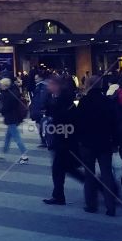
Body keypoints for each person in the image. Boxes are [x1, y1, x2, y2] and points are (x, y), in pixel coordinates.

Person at [74, 75, 119, 216]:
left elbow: (78, 124)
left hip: (87, 144)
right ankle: (110, 207)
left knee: (89, 175)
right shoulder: (107, 102)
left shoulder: (84, 102)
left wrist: (79, 140)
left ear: (88, 85)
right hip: (105, 142)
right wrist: (115, 142)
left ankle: (91, 204)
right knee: (107, 175)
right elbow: (114, 124)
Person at [42, 75, 84, 205]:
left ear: (56, 85)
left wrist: (52, 120)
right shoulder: (59, 98)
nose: (48, 87)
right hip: (63, 141)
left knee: (61, 170)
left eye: (51, 84)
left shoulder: (63, 100)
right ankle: (58, 195)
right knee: (68, 170)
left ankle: (59, 196)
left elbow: (63, 119)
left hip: (65, 142)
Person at [0, 78, 29, 163]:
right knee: (8, 137)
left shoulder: (6, 95)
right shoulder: (13, 92)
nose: (0, 86)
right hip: (15, 117)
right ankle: (2, 153)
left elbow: (5, 107)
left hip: (11, 118)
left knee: (16, 137)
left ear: (4, 85)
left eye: (1, 84)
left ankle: (24, 155)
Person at [29, 75, 49, 148]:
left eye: (36, 78)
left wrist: (41, 108)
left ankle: (45, 141)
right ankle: (44, 140)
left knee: (41, 125)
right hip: (37, 109)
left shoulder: (42, 87)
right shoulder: (39, 86)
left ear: (41, 78)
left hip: (39, 110)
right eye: (35, 79)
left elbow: (41, 99)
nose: (35, 80)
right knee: (40, 125)